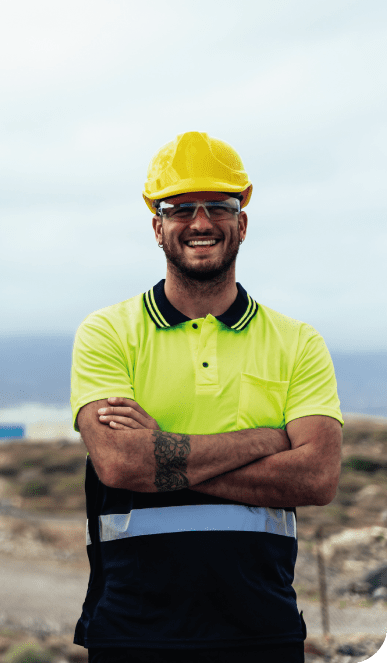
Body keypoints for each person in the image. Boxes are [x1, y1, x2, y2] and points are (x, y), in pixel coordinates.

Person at [70, 132, 343, 663]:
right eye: (180, 209)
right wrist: (267, 441)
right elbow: (122, 464)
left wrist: (163, 453)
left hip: (262, 628)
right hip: (132, 628)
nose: (200, 222)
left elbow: (318, 476)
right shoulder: (108, 332)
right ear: (158, 227)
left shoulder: (297, 341)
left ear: (241, 223)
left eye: (218, 206)